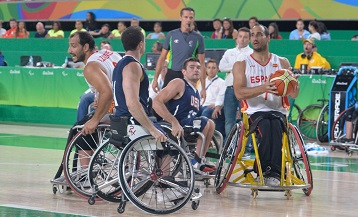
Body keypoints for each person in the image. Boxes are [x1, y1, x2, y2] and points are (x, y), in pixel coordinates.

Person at [232, 24, 300, 186]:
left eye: (259, 34)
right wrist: (263, 87)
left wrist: (294, 86)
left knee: (275, 125)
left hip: (278, 111)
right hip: (254, 112)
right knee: (267, 126)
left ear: (268, 38)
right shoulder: (241, 64)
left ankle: (272, 171)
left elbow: (294, 94)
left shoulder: (282, 62)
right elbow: (239, 93)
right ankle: (268, 170)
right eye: (252, 35)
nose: (255, 38)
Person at [153, 57, 216, 173]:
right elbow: (156, 102)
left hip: (186, 127)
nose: (196, 70)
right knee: (206, 121)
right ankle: (195, 163)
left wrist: (207, 135)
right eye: (191, 67)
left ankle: (199, 160)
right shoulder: (179, 83)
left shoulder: (196, 92)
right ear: (184, 72)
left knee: (210, 123)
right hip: (172, 125)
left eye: (198, 67)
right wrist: (174, 122)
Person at [68, 31, 122, 166]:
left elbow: (108, 92)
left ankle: (84, 174)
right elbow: (113, 77)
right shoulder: (107, 53)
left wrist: (95, 120)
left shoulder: (90, 67)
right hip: (133, 103)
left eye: (73, 46)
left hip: (121, 110)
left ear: (85, 47)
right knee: (91, 109)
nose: (69, 51)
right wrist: (98, 95)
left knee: (81, 129)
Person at [112, 26, 166, 142]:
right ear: (141, 44)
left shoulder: (120, 64)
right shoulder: (132, 66)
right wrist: (152, 130)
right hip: (131, 120)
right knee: (171, 142)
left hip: (122, 119)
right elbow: (132, 104)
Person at [152, 7, 206, 99]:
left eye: (191, 17)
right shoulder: (171, 35)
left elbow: (201, 64)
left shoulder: (198, 38)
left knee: (185, 106)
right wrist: (155, 79)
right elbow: (162, 58)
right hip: (172, 73)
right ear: (180, 18)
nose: (188, 20)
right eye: (186, 17)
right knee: (163, 103)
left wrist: (203, 88)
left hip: (188, 76)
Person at [219, 27, 253, 137]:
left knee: (247, 119)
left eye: (245, 37)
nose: (242, 39)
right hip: (230, 89)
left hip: (245, 89)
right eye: (240, 37)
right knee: (229, 120)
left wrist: (232, 67)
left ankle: (247, 148)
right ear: (237, 38)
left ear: (249, 39)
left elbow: (250, 70)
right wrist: (237, 66)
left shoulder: (252, 53)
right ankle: (229, 148)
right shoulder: (229, 52)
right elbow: (221, 67)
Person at [197, 59, 226, 138]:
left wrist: (217, 105)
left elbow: (222, 97)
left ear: (217, 69)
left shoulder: (222, 83)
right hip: (202, 105)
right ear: (206, 69)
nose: (211, 70)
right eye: (209, 68)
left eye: (213, 68)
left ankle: (204, 138)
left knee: (206, 113)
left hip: (213, 107)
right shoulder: (202, 82)